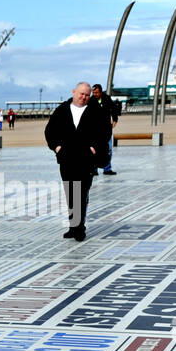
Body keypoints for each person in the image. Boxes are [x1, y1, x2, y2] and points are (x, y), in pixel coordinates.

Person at [45, 81, 111, 242]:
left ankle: (80, 227)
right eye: (81, 94)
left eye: (87, 95)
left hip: (86, 159)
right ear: (74, 92)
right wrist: (57, 148)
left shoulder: (96, 111)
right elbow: (49, 130)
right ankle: (73, 226)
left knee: (81, 192)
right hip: (67, 158)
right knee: (70, 191)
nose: (84, 97)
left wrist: (94, 148)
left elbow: (105, 132)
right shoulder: (62, 110)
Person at [91, 84, 119, 175]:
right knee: (95, 150)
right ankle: (94, 169)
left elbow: (114, 109)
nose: (95, 94)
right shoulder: (90, 101)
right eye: (93, 92)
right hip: (94, 130)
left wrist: (115, 120)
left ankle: (107, 169)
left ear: (101, 92)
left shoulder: (107, 98)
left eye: (97, 92)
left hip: (106, 129)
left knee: (108, 150)